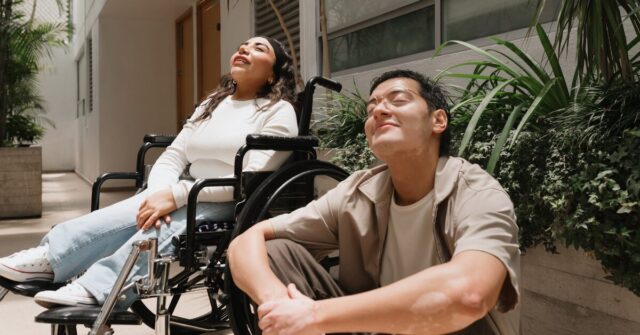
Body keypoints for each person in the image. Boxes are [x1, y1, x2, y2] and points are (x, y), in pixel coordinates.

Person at [0, 36, 299, 309]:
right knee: (131, 211)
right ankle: (50, 259)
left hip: (230, 201)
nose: (244, 48)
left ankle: (99, 289)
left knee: (160, 228)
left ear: (273, 73)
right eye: (242, 45)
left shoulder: (279, 112)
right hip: (183, 190)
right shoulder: (212, 104)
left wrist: (178, 195)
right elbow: (174, 155)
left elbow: (251, 178)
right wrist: (160, 193)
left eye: (259, 48)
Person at [227, 69, 520, 335]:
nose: (379, 110)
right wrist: (280, 306)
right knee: (276, 252)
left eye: (398, 100)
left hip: (454, 330)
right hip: (372, 329)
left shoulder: (476, 192)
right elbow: (247, 241)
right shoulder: (357, 192)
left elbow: (469, 295)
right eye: (371, 108)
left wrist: (313, 315)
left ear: (438, 120)